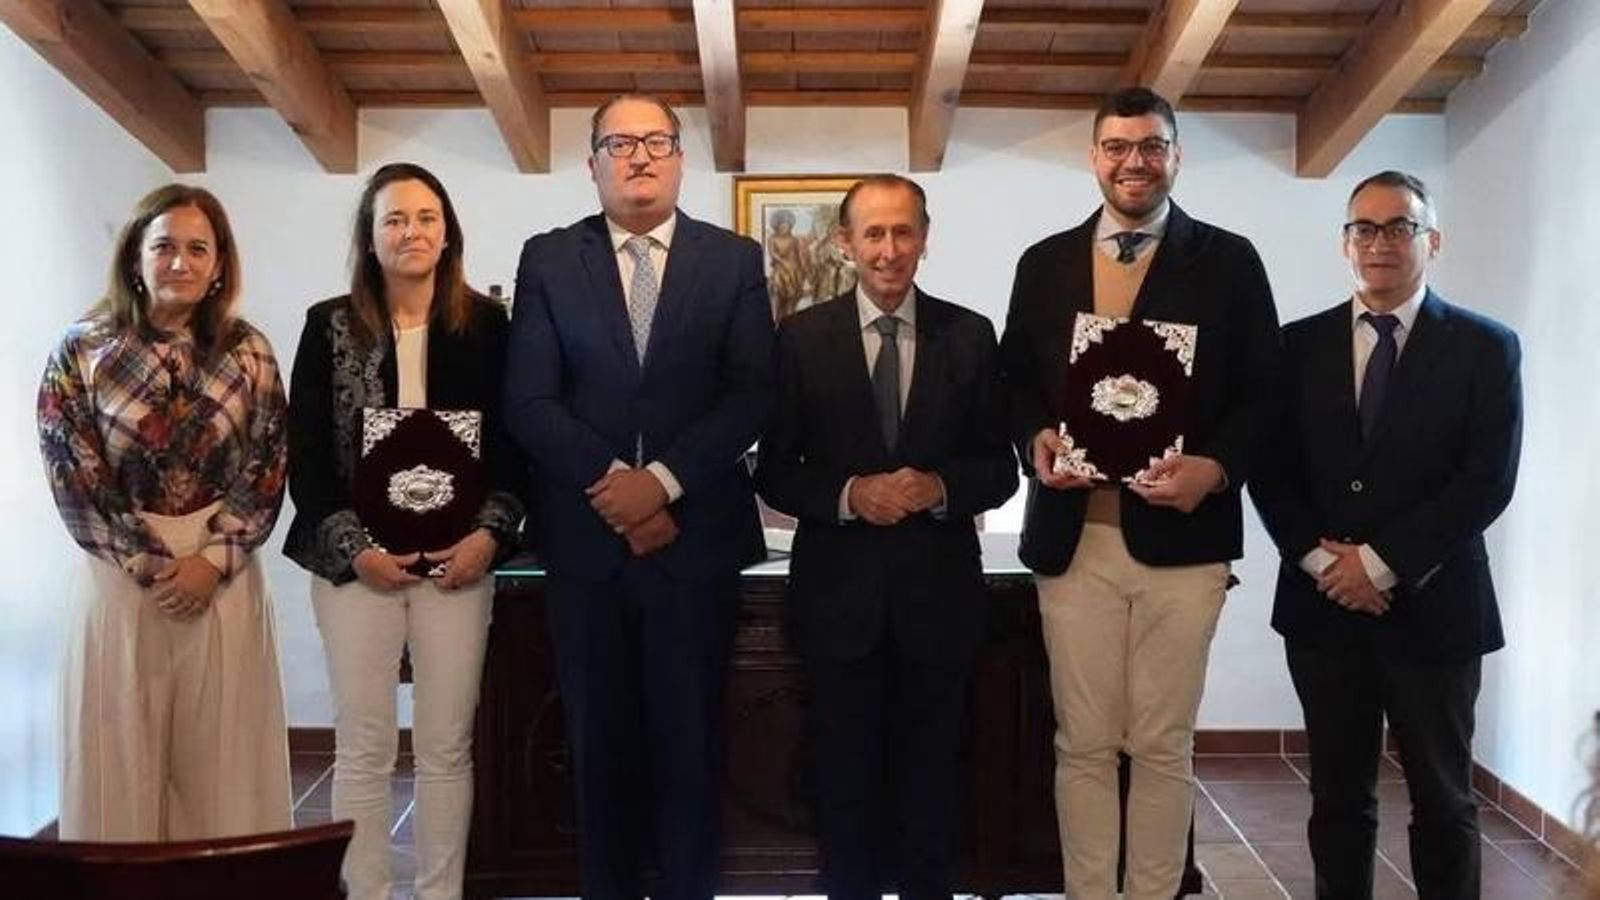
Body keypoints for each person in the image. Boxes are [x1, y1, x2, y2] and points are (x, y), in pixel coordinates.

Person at [998, 87, 1281, 899]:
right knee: (1082, 744)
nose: (1134, 162)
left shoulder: (1230, 261)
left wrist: (1216, 468)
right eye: (1117, 146)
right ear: (1094, 157)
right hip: (1072, 537)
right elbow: (1014, 385)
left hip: (1183, 543)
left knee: (1162, 744)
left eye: (1151, 146)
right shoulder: (1044, 262)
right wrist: (1035, 441)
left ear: (1176, 157)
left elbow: (1265, 394)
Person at [503, 93, 774, 900]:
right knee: (598, 748)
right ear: (592, 165)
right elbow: (529, 400)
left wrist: (659, 486)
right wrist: (615, 489)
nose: (641, 157)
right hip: (587, 549)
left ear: (682, 159)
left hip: (697, 545)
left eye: (657, 141)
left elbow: (752, 393)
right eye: (619, 143)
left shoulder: (731, 260)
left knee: (692, 746)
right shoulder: (550, 259)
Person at [1249, 170, 1522, 898]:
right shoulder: (1293, 348)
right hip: (1322, 609)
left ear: (1432, 240)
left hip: (1438, 611)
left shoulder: (1486, 349)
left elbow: (1486, 480)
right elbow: (1271, 471)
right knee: (1338, 799)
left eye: (1399, 227)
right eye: (1363, 229)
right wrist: (1322, 562)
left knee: (1444, 800)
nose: (1380, 243)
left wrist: (1379, 563)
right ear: (1344, 245)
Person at [755, 174, 1016, 900]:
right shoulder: (801, 340)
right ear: (845, 244)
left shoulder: (970, 335)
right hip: (838, 607)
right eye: (873, 233)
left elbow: (1001, 469)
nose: (889, 249)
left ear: (925, 239)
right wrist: (848, 495)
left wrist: (939, 489)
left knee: (932, 791)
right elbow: (774, 472)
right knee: (843, 790)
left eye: (904, 232)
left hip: (940, 604)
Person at [283, 162, 525, 900]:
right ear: (370, 235)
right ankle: (366, 894)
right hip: (360, 567)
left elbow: (515, 447)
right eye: (394, 219)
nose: (411, 231)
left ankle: (439, 893)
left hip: (461, 563)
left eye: (425, 217)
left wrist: (487, 536)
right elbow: (308, 456)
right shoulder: (327, 325)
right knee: (363, 748)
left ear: (447, 230)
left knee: (447, 748)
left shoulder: (488, 326)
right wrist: (359, 553)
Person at [37, 184, 291, 840]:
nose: (180, 262)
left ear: (219, 267)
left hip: (222, 572)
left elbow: (268, 463)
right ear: (135, 258)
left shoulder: (250, 351)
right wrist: (149, 563)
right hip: (117, 572)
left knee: (225, 764)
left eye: (197, 249)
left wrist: (213, 561)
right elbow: (74, 471)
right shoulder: (81, 350)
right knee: (116, 752)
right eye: (165, 247)